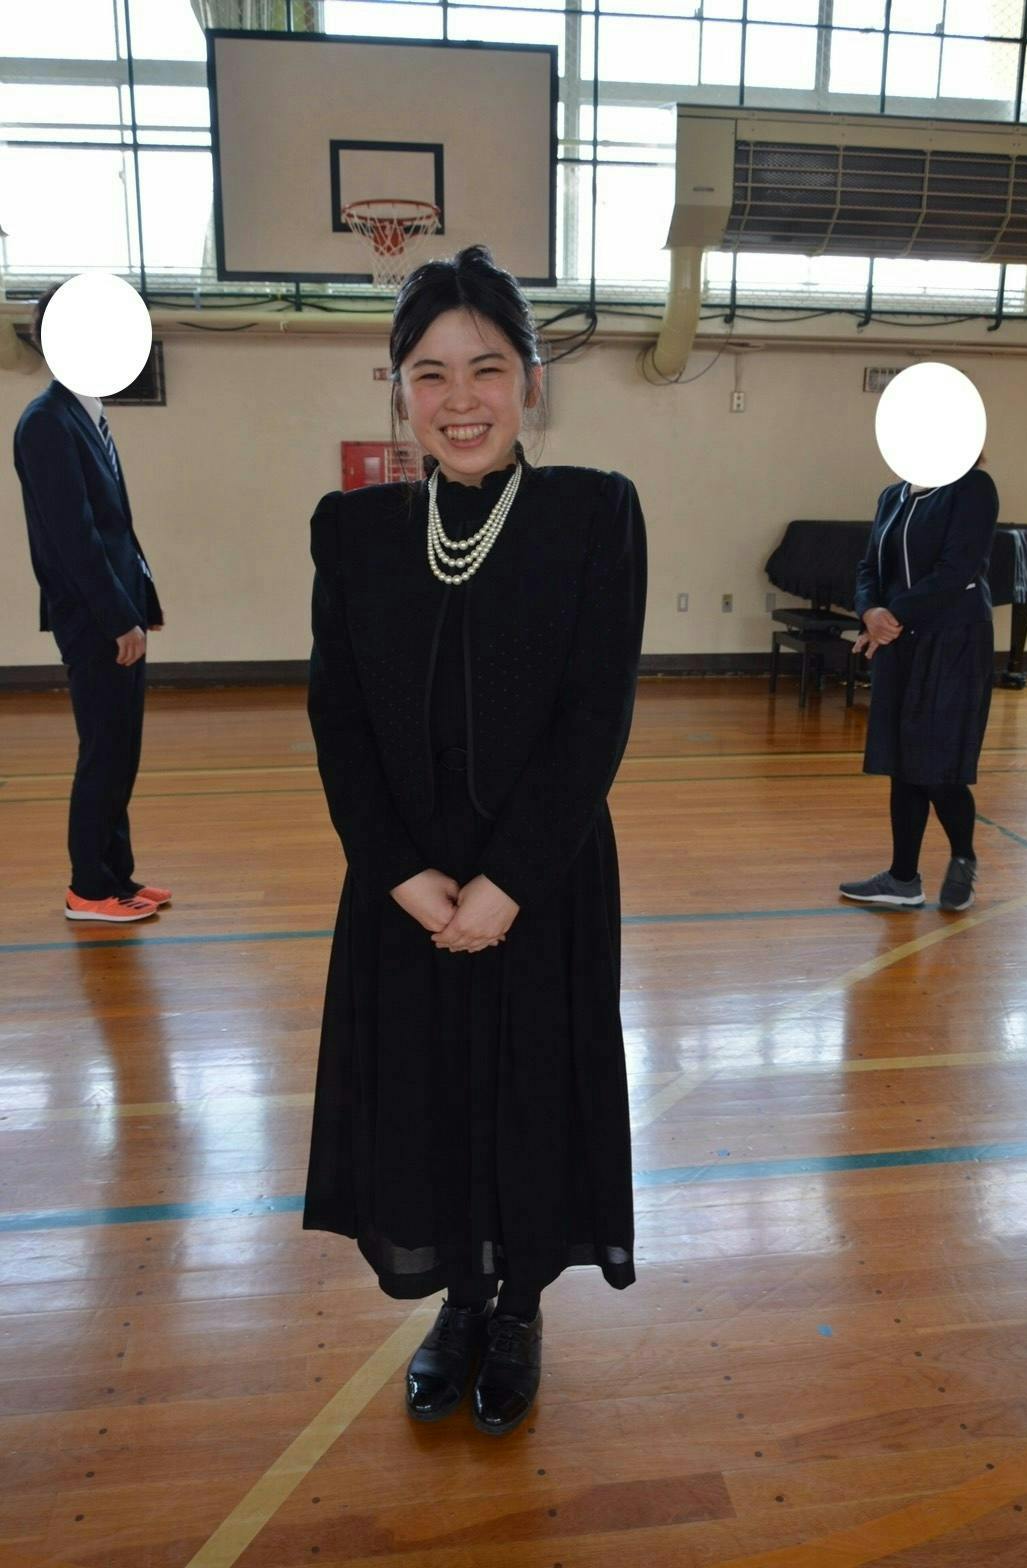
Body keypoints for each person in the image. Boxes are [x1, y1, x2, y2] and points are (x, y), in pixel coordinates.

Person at [303, 245, 647, 1436]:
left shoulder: (592, 513)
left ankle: (519, 1310)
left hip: (541, 877)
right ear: (398, 387)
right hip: (404, 885)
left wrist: (507, 882)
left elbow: (595, 718)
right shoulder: (352, 532)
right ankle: (460, 1298)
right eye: (431, 372)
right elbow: (338, 720)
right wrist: (402, 873)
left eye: (487, 367)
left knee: (531, 1090)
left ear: (531, 381)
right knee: (432, 1094)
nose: (460, 399)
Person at [13, 282, 170, 923]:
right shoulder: (46, 423)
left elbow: (114, 528)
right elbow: (73, 537)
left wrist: (141, 602)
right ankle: (88, 887)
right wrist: (116, 617)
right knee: (104, 751)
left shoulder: (86, 414)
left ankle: (116, 876)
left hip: (116, 611)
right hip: (92, 620)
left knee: (120, 750)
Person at [840, 452, 999, 912]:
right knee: (902, 760)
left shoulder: (972, 488)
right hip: (898, 641)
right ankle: (903, 878)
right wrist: (869, 611)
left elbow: (956, 570)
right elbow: (869, 567)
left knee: (936, 763)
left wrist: (889, 617)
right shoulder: (893, 496)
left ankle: (964, 858)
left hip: (952, 642)